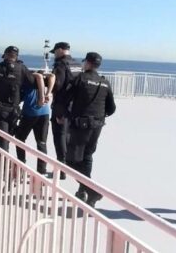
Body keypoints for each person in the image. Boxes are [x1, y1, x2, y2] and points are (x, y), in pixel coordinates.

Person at [64, 52, 116, 207]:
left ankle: (92, 192)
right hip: (97, 126)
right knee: (87, 157)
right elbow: (111, 108)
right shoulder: (104, 83)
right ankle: (83, 191)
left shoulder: (80, 79)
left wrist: (65, 115)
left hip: (81, 126)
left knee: (70, 161)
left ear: (87, 63)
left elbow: (66, 98)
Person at [0, 46, 35, 152]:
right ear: (16, 57)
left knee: (2, 141)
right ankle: (5, 164)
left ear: (4, 56)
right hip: (14, 111)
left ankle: (2, 164)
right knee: (8, 138)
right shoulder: (21, 68)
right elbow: (32, 82)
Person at [50, 42, 82, 179]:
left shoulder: (61, 65)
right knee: (69, 137)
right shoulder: (77, 65)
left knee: (60, 138)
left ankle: (62, 169)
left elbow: (57, 85)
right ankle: (69, 167)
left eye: (55, 52)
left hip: (62, 107)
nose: (54, 55)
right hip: (74, 107)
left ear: (61, 50)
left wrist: (47, 81)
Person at [15, 71, 55, 174]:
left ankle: (21, 164)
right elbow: (52, 76)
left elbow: (20, 98)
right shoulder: (46, 85)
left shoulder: (27, 84)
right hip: (44, 114)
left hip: (29, 114)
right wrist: (48, 93)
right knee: (41, 142)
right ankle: (41, 170)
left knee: (20, 138)